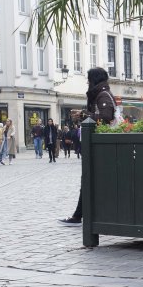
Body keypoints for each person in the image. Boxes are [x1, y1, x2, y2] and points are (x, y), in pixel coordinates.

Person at [58, 68, 116, 225]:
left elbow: (106, 117)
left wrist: (84, 115)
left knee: (89, 180)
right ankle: (80, 214)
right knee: (88, 180)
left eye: (89, 79)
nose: (87, 82)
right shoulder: (100, 94)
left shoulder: (103, 95)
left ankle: (80, 215)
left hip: (100, 148)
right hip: (96, 147)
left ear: (94, 80)